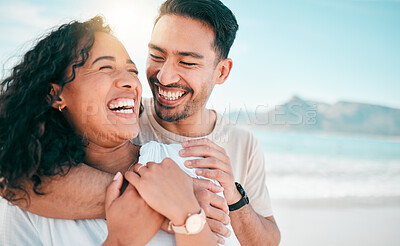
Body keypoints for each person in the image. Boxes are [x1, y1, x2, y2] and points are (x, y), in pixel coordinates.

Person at [6, 0, 281, 245]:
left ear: (221, 71)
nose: (164, 75)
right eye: (157, 56)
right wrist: (150, 199)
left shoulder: (220, 155)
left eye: (186, 62)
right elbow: (14, 178)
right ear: (55, 95)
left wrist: (231, 197)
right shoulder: (122, 116)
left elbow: (266, 241)